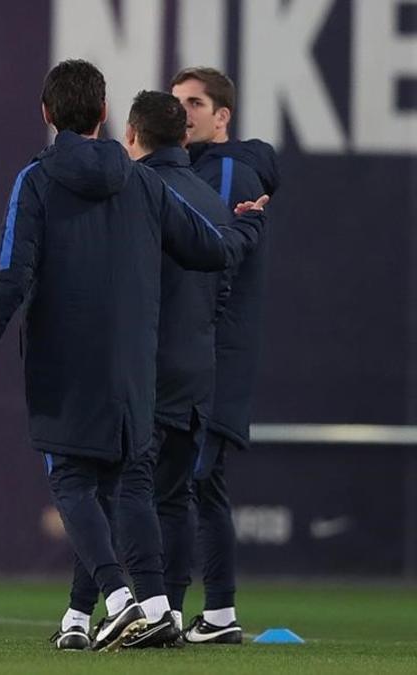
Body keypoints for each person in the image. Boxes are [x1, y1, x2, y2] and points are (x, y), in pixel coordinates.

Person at [0, 60, 267, 652]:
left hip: (66, 365)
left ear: (46, 115)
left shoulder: (37, 180)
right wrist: (246, 230)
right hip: (135, 368)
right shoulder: (143, 182)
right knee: (133, 486)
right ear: (102, 115)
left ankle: (117, 602)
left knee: (72, 480)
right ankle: (155, 605)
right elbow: (208, 249)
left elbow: (8, 277)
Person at [61, 90, 236, 649]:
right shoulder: (210, 200)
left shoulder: (138, 192)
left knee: (115, 494)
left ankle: (90, 614)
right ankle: (170, 615)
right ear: (185, 137)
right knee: (175, 498)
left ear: (131, 136)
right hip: (196, 370)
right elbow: (222, 287)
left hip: (143, 368)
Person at [170, 66, 281, 645]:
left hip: (213, 351)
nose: (183, 112)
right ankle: (218, 615)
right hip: (201, 349)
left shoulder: (230, 167)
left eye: (195, 102)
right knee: (202, 484)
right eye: (176, 103)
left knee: (182, 480)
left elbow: (215, 259)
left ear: (222, 116)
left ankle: (163, 608)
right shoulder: (191, 167)